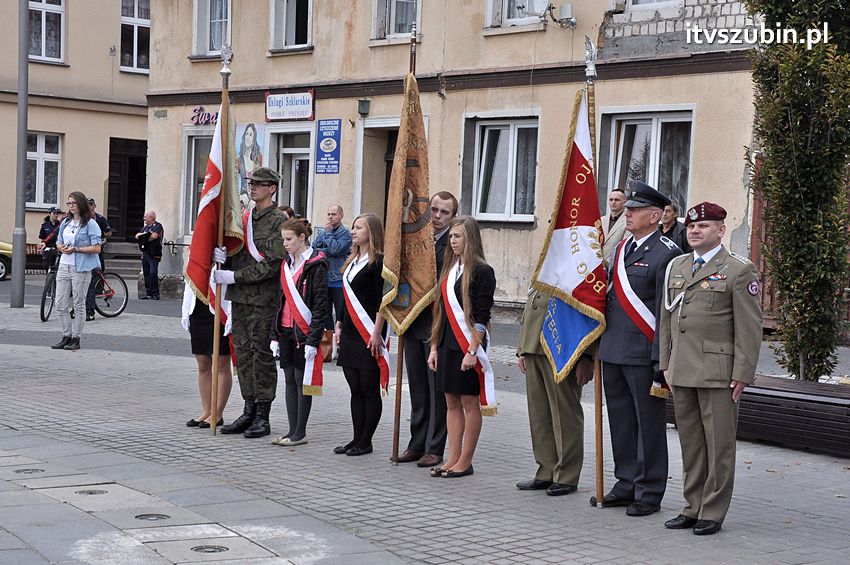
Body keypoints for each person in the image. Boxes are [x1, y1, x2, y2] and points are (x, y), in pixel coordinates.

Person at [659, 202, 762, 536]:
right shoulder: (677, 266)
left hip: (718, 372)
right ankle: (692, 506)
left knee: (719, 445)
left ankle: (713, 511)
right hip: (681, 369)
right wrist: (665, 364)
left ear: (720, 231)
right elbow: (667, 320)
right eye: (691, 226)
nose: (694, 231)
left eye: (703, 226)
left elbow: (749, 327)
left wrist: (742, 373)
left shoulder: (738, 270)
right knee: (691, 444)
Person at [591, 181, 681, 516]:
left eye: (635, 209)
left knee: (648, 425)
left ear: (654, 216)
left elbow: (664, 313)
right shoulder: (621, 248)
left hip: (644, 353)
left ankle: (649, 490)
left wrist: (661, 360)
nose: (627, 214)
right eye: (627, 209)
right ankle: (626, 482)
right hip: (613, 349)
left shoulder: (667, 253)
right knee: (621, 421)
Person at [213, 167, 286, 438]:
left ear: (272, 188)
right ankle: (248, 409)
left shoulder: (278, 222)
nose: (253, 187)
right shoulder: (245, 218)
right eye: (251, 183)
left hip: (264, 298)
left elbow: (274, 264)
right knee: (243, 353)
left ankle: (263, 416)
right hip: (240, 297)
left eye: (259, 184)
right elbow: (238, 251)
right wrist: (224, 257)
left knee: (261, 354)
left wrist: (235, 276)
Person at [428, 216, 496, 479]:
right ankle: (452, 457)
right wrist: (434, 348)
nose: (452, 241)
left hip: (468, 345)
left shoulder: (482, 271)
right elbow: (441, 314)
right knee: (451, 401)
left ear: (470, 238)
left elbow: (482, 315)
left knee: (469, 402)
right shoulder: (450, 269)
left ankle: (465, 461)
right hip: (447, 343)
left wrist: (472, 351)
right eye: (451, 237)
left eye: (457, 236)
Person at [396, 191, 456, 468]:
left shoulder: (452, 246)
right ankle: (416, 443)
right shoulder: (417, 241)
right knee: (418, 388)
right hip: (413, 321)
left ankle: (435, 446)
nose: (438, 216)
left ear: (453, 216)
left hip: (437, 324)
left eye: (445, 212)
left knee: (436, 391)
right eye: (434, 210)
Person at [516, 288, 593, 496]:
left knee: (565, 415)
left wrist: (587, 356)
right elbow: (532, 303)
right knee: (539, 415)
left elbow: (590, 310)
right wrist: (523, 347)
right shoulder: (543, 268)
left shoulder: (581, 267)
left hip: (563, 349)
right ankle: (546, 470)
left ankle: (567, 475)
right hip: (534, 346)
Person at [270, 218, 328, 447]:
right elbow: (280, 301)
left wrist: (314, 340)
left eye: (289, 239)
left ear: (302, 238)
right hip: (285, 329)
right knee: (288, 379)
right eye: (283, 239)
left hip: (304, 332)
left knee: (300, 379)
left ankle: (300, 432)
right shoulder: (286, 264)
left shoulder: (316, 264)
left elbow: (321, 306)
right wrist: (274, 335)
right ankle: (291, 429)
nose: (285, 243)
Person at [333, 213, 388, 456]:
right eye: (353, 227)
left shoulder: (379, 262)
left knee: (368, 387)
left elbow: (382, 301)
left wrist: (377, 332)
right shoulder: (352, 260)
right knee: (355, 387)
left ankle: (366, 441)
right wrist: (338, 322)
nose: (353, 231)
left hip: (369, 331)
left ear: (372, 232)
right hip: (350, 330)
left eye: (359, 228)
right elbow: (346, 298)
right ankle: (356, 438)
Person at [50, 192, 103, 351]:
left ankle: (76, 338)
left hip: (81, 267)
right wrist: (62, 248)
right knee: (60, 303)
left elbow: (97, 248)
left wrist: (77, 249)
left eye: (74, 203)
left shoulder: (91, 224)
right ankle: (66, 335)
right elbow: (59, 241)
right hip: (64, 265)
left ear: (81, 204)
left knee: (79, 303)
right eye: (69, 203)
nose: (71, 206)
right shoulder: (66, 222)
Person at [181, 280, 233, 429]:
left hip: (220, 308)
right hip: (197, 308)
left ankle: (217, 413)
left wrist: (231, 314)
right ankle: (207, 410)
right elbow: (189, 281)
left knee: (221, 362)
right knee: (202, 362)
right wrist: (185, 310)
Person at [312, 204, 352, 357]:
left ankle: (343, 345)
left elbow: (336, 249)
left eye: (334, 214)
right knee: (325, 314)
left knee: (341, 315)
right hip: (324, 280)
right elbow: (314, 249)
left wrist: (328, 238)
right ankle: (328, 347)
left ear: (341, 216)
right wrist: (326, 249)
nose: (330, 217)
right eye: (329, 214)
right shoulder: (324, 232)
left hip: (338, 280)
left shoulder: (345, 234)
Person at [86, 198, 113, 320]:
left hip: (97, 250)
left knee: (97, 274)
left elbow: (109, 232)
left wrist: (99, 234)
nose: (89, 206)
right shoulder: (81, 219)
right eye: (87, 204)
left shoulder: (100, 219)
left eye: (91, 204)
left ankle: (99, 290)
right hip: (86, 252)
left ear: (94, 206)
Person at [135, 211, 164, 300]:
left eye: (145, 217)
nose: (144, 218)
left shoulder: (158, 226)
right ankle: (148, 293)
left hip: (154, 253)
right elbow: (137, 236)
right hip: (146, 253)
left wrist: (144, 238)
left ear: (151, 218)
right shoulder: (145, 227)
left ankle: (155, 293)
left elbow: (154, 236)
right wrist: (146, 236)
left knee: (153, 273)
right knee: (146, 273)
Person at [601, 188, 629, 266]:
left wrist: (608, 264)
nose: (613, 202)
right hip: (596, 266)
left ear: (625, 202)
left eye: (617, 200)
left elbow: (624, 248)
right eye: (611, 199)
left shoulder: (629, 221)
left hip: (614, 266)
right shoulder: (601, 220)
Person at [237, 124, 263, 196]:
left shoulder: (259, 157)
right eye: (246, 134)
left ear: (254, 138)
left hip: (256, 196)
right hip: (243, 196)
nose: (248, 137)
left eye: (251, 135)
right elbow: (235, 178)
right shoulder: (239, 159)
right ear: (244, 136)